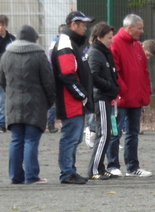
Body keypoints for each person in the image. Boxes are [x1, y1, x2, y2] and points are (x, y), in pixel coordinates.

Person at [0, 24, 55, 183]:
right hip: (35, 104)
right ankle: (31, 176)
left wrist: (11, 94)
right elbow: (48, 81)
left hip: (13, 103)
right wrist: (49, 101)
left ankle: (15, 176)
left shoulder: (6, 55)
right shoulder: (39, 54)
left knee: (16, 139)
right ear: (33, 38)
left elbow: (2, 80)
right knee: (31, 139)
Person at [106, 14, 152, 177]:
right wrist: (123, 91)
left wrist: (145, 92)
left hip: (135, 99)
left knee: (133, 133)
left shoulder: (137, 46)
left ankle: (132, 167)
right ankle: (112, 165)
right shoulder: (116, 44)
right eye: (139, 28)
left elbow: (144, 72)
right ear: (129, 28)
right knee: (115, 132)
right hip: (121, 99)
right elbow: (115, 72)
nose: (142, 31)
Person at [52, 11, 94, 185]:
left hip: (75, 100)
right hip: (70, 101)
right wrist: (82, 95)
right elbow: (67, 75)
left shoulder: (71, 43)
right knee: (70, 137)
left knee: (74, 137)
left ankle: (70, 170)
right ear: (73, 24)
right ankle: (67, 172)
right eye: (83, 24)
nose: (86, 27)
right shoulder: (65, 43)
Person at [85, 22, 119, 180]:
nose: (112, 40)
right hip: (101, 97)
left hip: (106, 96)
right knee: (104, 133)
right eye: (109, 38)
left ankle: (100, 167)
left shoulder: (104, 52)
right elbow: (93, 76)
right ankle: (93, 169)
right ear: (99, 37)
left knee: (107, 133)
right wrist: (110, 87)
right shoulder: (95, 53)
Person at [0, 15, 15, 132]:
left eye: (2, 24)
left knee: (7, 99)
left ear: (6, 25)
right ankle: (1, 123)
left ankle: (6, 122)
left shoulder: (12, 39)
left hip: (9, 73)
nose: (0, 27)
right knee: (1, 99)